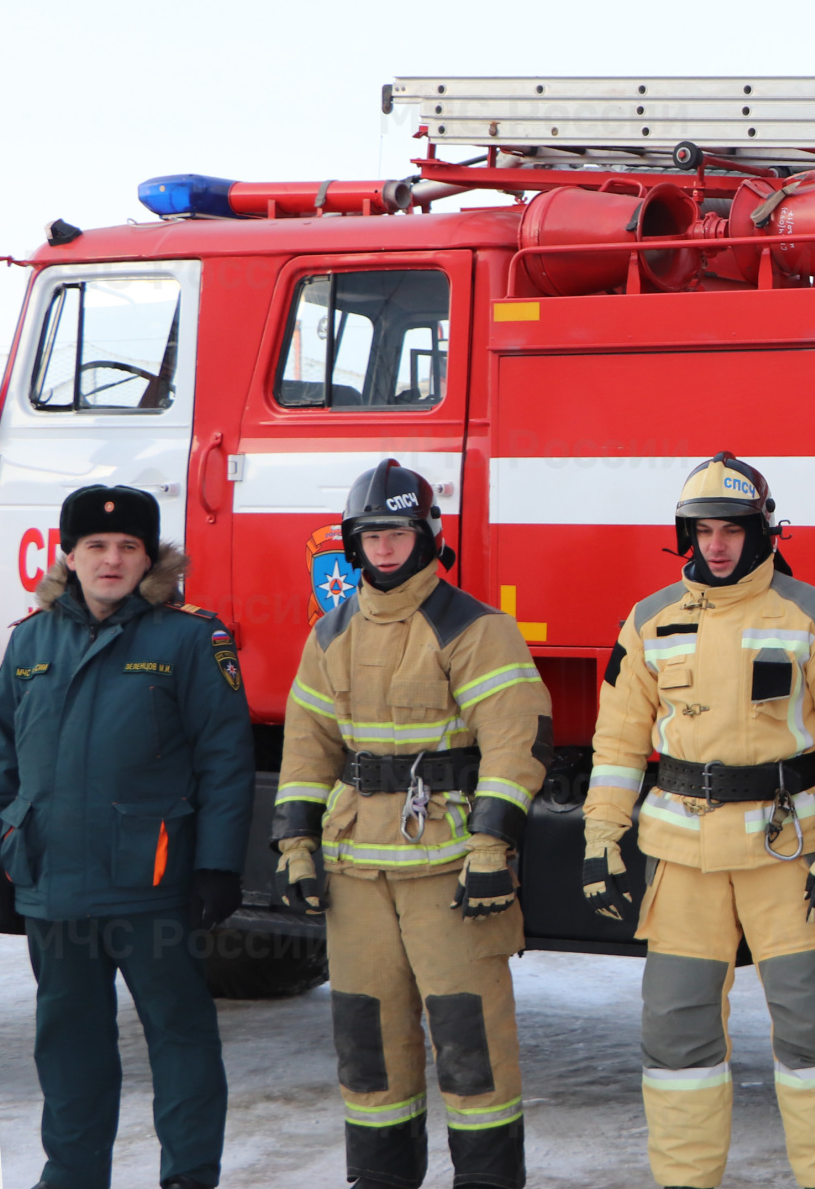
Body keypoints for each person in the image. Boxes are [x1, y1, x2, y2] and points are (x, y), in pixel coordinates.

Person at [581, 453, 815, 1189]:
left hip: (792, 858)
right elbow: (616, 744)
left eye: (733, 530)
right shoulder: (649, 622)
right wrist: (600, 841)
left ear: (763, 532)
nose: (717, 545)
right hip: (683, 860)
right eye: (703, 530)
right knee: (677, 1037)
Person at [269, 459, 551, 1189]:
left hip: (450, 871)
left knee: (472, 1045)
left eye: (397, 532)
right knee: (368, 1048)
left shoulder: (475, 629)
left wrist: (493, 849)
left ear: (427, 535)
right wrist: (297, 844)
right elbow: (306, 747)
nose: (384, 549)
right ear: (352, 545)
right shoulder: (330, 635)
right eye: (370, 536)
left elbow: (516, 744)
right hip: (356, 873)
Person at [0, 484, 254, 1189]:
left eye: (127, 547)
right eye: (96, 547)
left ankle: (189, 1176)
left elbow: (225, 760)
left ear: (149, 557)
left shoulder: (191, 638)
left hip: (152, 888)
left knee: (181, 1040)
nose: (112, 560)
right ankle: (72, 1177)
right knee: (69, 1049)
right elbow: (1, 763)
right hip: (56, 888)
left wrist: (218, 867)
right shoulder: (28, 640)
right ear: (68, 555)